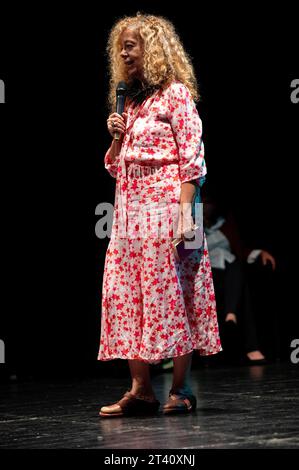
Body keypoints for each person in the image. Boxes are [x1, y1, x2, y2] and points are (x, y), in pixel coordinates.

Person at [97, 13, 221, 417]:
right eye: (120, 46)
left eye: (131, 44)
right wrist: (115, 140)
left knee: (174, 292)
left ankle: (182, 388)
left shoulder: (176, 94)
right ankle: (141, 389)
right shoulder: (129, 101)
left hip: (170, 203)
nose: (123, 52)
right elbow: (116, 167)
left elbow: (194, 159)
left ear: (151, 48)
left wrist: (186, 213)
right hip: (130, 208)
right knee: (126, 292)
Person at [203, 197, 276, 365]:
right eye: (203, 204)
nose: (207, 207)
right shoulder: (192, 221)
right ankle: (234, 320)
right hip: (206, 270)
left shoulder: (226, 222)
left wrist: (258, 252)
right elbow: (188, 252)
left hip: (229, 267)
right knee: (238, 282)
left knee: (237, 268)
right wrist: (195, 219)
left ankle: (232, 317)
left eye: (210, 204)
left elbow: (238, 247)